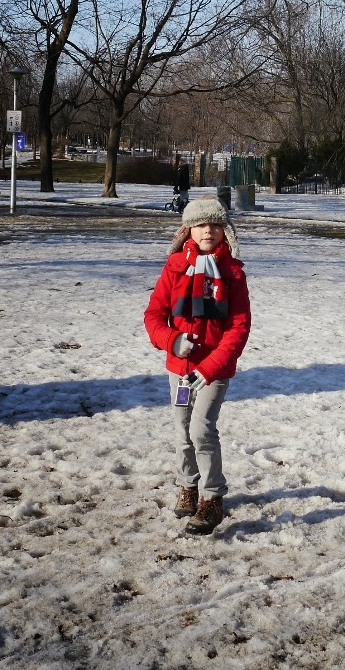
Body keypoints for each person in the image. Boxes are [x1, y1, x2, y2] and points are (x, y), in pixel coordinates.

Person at [144, 196, 251, 535]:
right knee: (182, 430)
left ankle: (212, 497)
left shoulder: (233, 274)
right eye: (201, 224)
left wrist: (210, 367)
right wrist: (172, 340)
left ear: (224, 230)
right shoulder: (175, 267)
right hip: (179, 368)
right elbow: (154, 315)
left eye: (215, 224)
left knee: (201, 429)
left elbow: (239, 327)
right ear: (189, 229)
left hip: (212, 371)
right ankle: (188, 486)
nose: (208, 230)